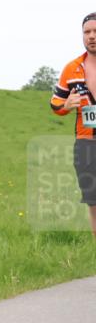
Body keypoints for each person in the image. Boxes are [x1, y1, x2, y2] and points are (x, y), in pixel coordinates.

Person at [50, 12, 96, 237]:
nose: (92, 36)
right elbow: (55, 104)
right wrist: (67, 104)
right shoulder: (72, 69)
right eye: (87, 32)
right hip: (86, 144)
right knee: (94, 203)